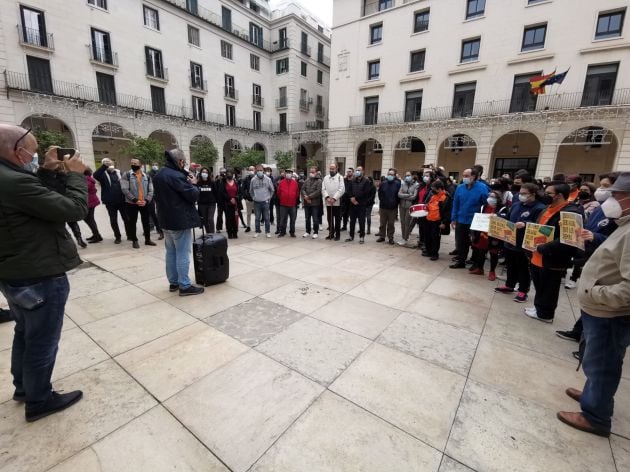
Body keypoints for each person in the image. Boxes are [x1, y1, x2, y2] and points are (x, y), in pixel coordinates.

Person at [0, 125, 87, 421]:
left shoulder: (11, 179)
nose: (35, 155)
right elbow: (73, 209)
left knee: (25, 331)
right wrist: (75, 174)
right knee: (43, 340)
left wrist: (48, 172)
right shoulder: (13, 182)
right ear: (17, 151)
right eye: (33, 150)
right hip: (38, 272)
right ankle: (39, 400)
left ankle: (24, 388)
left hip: (16, 270)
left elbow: (36, 201)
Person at [556, 172, 630, 438]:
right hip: (600, 309)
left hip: (611, 313)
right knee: (595, 360)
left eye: (616, 195)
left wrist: (594, 292)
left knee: (603, 364)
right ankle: (592, 396)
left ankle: (596, 417)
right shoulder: (623, 224)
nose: (610, 199)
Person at [525, 183, 582, 323]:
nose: (545, 195)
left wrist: (544, 248)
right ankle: (539, 307)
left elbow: (568, 238)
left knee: (550, 287)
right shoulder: (546, 209)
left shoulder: (571, 213)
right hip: (536, 254)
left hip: (553, 257)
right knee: (539, 284)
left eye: (549, 193)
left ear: (560, 195)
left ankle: (546, 314)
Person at [152, 149, 204, 296]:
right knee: (182, 253)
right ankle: (185, 285)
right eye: (184, 161)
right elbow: (192, 195)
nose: (184, 164)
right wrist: (194, 184)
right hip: (179, 220)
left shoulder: (159, 174)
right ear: (180, 161)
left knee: (171, 252)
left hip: (165, 219)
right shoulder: (176, 176)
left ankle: (173, 282)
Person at [495, 183, 545, 303]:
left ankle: (523, 289)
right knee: (511, 265)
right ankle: (509, 285)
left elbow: (540, 227)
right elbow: (507, 218)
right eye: (520, 193)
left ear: (533, 194)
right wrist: (497, 217)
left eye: (524, 194)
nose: (520, 196)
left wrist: (525, 224)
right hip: (510, 240)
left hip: (524, 244)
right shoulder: (517, 204)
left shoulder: (539, 208)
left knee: (523, 268)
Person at [450, 168, 489, 268]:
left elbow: (486, 204)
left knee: (475, 243)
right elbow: (455, 203)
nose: (464, 178)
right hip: (461, 219)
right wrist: (453, 218)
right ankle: (461, 261)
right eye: (463, 176)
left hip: (475, 221)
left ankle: (475, 262)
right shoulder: (460, 187)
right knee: (461, 242)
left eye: (467, 176)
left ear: (474, 176)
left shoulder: (482, 187)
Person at [469, 190, 506, 280]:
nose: (490, 198)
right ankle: (480, 269)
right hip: (482, 233)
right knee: (481, 252)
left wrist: (497, 215)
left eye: (493, 197)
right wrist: (473, 232)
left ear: (498, 199)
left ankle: (492, 271)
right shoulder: (483, 207)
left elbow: (506, 218)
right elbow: (477, 218)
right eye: (490, 196)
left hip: (494, 234)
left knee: (493, 253)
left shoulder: (503, 208)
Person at [120, 158, 156, 249]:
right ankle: (134, 240)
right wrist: (135, 200)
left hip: (144, 203)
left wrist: (146, 200)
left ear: (140, 164)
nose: (133, 164)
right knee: (132, 222)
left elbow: (151, 190)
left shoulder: (146, 176)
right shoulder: (127, 175)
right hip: (131, 204)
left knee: (146, 222)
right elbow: (124, 189)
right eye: (132, 163)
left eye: (135, 163)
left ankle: (147, 239)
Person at [93, 158, 127, 244]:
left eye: (110, 163)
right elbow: (95, 175)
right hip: (110, 202)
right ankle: (117, 236)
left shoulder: (119, 173)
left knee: (126, 218)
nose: (110, 166)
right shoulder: (102, 175)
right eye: (107, 164)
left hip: (122, 201)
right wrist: (104, 166)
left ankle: (129, 234)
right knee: (113, 220)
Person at [424, 180, 452, 261]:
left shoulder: (446, 197)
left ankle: (434, 254)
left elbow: (447, 212)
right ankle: (429, 251)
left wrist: (444, 222)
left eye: (434, 189)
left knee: (435, 238)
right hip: (429, 219)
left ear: (439, 189)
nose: (432, 190)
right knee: (428, 237)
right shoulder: (433, 195)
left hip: (437, 221)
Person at [345, 166, 372, 244]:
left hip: (361, 204)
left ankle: (361, 237)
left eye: (359, 170)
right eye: (356, 170)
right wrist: (351, 198)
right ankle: (351, 236)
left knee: (361, 221)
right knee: (352, 221)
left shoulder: (366, 181)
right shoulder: (352, 180)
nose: (357, 171)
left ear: (363, 171)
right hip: (352, 204)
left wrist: (355, 199)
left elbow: (365, 192)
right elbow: (348, 190)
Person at [250, 164, 274, 238]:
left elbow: (272, 190)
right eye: (258, 170)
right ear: (256, 171)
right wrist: (254, 197)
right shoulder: (253, 180)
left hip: (265, 202)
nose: (259, 171)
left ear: (263, 171)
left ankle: (268, 232)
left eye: (261, 170)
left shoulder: (268, 179)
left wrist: (269, 198)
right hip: (257, 202)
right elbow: (251, 191)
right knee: (257, 218)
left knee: (266, 218)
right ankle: (257, 231)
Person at [377, 168, 401, 245]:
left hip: (393, 208)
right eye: (389, 174)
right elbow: (380, 194)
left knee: (391, 224)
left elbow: (398, 196)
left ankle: (390, 238)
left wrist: (395, 203)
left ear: (394, 176)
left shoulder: (397, 184)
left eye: (392, 174)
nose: (390, 176)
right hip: (383, 207)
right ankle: (382, 236)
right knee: (382, 223)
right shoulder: (383, 183)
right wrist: (382, 203)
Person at [322, 163, 345, 241]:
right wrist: (327, 197)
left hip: (337, 202)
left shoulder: (340, 177)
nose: (331, 170)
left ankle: (337, 235)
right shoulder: (325, 178)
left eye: (333, 168)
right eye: (330, 168)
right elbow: (323, 189)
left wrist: (334, 198)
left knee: (337, 219)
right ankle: (331, 234)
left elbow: (341, 189)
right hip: (328, 202)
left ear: (336, 168)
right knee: (330, 218)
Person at [398, 171, 419, 246]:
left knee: (407, 223)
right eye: (406, 175)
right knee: (402, 222)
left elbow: (414, 197)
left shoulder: (416, 185)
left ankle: (405, 238)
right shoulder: (403, 184)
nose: (407, 177)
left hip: (410, 206)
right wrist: (408, 195)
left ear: (412, 176)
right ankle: (403, 237)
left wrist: (405, 195)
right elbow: (399, 194)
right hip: (402, 205)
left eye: (409, 175)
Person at [277, 169, 299, 237]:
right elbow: (278, 193)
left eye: (290, 173)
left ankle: (292, 232)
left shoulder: (295, 183)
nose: (288, 174)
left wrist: (294, 199)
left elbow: (297, 193)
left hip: (292, 204)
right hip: (283, 204)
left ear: (292, 174)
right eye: (287, 173)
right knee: (283, 219)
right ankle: (282, 232)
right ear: (285, 174)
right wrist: (283, 198)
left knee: (292, 219)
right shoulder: (281, 182)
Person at [301, 166, 322, 239]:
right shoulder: (307, 180)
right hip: (307, 203)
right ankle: (307, 231)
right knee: (307, 218)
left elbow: (318, 191)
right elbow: (302, 189)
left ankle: (315, 232)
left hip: (315, 203)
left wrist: (309, 197)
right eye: (310, 172)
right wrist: (306, 197)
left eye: (313, 172)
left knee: (315, 219)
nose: (311, 173)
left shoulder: (319, 181)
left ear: (316, 172)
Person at [83, 168, 102, 243]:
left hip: (90, 202)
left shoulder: (86, 180)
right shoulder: (88, 179)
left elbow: (85, 188)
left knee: (88, 219)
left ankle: (97, 236)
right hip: (91, 201)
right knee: (89, 219)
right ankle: (96, 234)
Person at [221, 171, 241, 239]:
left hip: (235, 204)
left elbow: (239, 192)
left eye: (230, 174)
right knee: (228, 219)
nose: (229, 175)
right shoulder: (223, 183)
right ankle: (229, 233)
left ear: (233, 175)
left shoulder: (236, 183)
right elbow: (222, 193)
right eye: (228, 174)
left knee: (235, 218)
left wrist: (235, 198)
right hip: (227, 204)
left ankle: (235, 232)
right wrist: (230, 199)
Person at [196, 167, 216, 233]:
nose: (205, 173)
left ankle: (212, 234)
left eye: (206, 172)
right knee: (205, 220)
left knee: (210, 219)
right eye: (203, 172)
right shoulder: (198, 183)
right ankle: (208, 233)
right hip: (202, 204)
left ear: (208, 174)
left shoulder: (212, 182)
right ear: (201, 173)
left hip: (211, 204)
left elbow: (216, 192)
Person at [241, 166, 255, 233]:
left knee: (257, 214)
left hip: (256, 199)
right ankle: (248, 226)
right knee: (248, 214)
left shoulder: (257, 178)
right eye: (250, 170)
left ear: (254, 170)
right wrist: (245, 197)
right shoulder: (246, 179)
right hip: (248, 199)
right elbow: (243, 189)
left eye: (252, 169)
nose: (251, 171)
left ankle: (257, 227)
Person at [215, 168, 227, 232]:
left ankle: (228, 226)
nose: (223, 174)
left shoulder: (227, 179)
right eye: (221, 172)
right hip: (220, 201)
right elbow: (215, 188)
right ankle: (218, 228)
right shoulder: (217, 180)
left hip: (226, 200)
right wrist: (218, 180)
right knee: (219, 215)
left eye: (224, 172)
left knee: (227, 215)